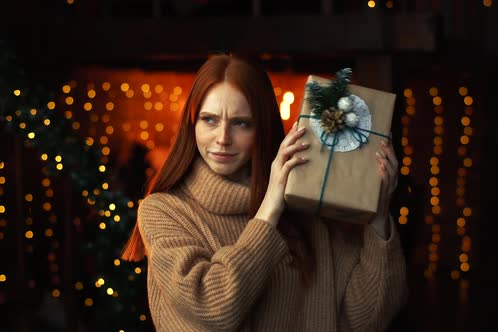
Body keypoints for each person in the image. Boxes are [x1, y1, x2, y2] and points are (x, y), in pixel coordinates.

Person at [121, 54, 407, 331]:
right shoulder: (163, 211)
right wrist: (271, 204)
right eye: (209, 120)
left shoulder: (306, 210)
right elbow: (213, 311)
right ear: (191, 124)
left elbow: (364, 320)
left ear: (262, 129)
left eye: (240, 123)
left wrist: (378, 217)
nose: (222, 138)